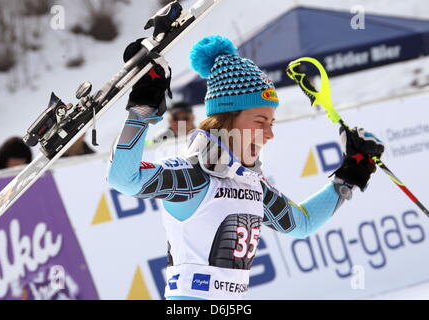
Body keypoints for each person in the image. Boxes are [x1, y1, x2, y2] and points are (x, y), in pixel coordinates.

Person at [107, 35, 384, 300]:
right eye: (260, 121)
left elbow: (302, 223)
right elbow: (124, 178)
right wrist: (142, 110)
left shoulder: (250, 184)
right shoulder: (194, 175)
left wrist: (349, 176)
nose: (269, 134)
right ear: (227, 119)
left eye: (271, 123)